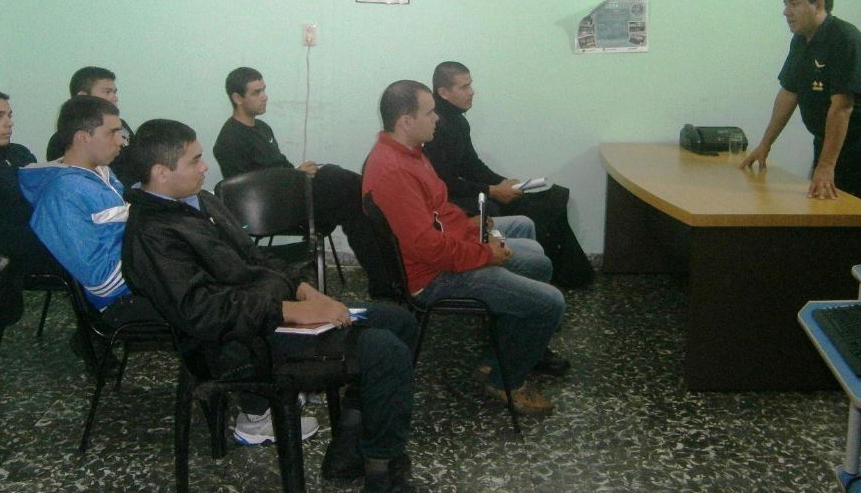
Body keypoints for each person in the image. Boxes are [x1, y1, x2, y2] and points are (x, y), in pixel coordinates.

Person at [122, 119, 419, 493]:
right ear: (161, 173)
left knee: (399, 321)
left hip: (269, 314)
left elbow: (254, 256)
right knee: (384, 351)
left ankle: (349, 451)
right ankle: (382, 479)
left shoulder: (200, 200)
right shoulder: (152, 233)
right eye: (194, 160)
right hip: (238, 345)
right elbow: (202, 312)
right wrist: (289, 311)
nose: (205, 166)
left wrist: (303, 289)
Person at [362, 80, 568, 416]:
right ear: (406, 121)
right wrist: (485, 253)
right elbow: (428, 247)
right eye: (430, 113)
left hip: (442, 255)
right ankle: (506, 381)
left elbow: (440, 211)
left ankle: (500, 355)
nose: (437, 119)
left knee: (531, 247)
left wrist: (473, 227)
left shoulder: (412, 152)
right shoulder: (394, 172)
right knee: (550, 301)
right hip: (433, 278)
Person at [213, 67, 394, 299]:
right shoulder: (229, 140)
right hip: (272, 212)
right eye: (256, 93)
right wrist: (296, 175)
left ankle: (386, 285)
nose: (265, 97)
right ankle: (376, 196)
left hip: (293, 198)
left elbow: (278, 167)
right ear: (237, 98)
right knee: (335, 177)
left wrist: (299, 172)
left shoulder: (263, 128)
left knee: (355, 209)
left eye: (264, 90)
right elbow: (246, 192)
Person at [423, 62, 593, 287]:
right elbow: (444, 182)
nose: (472, 92)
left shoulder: (458, 121)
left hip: (460, 192)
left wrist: (502, 182)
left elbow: (471, 165)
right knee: (502, 208)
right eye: (464, 87)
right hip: (448, 202)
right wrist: (493, 191)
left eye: (470, 85)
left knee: (537, 200)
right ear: (444, 92)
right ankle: (529, 275)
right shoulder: (434, 127)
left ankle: (551, 272)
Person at [740, 0, 861, 202]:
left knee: (847, 216)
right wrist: (765, 144)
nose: (786, 12)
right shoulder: (800, 40)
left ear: (818, 5)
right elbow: (789, 93)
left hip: (860, 147)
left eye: (794, 4)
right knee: (821, 208)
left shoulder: (845, 38)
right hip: (826, 140)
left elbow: (842, 107)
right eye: (785, 4)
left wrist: (826, 165)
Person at [19, 96, 159, 327]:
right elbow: (102, 281)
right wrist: (160, 262)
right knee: (212, 306)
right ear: (83, 138)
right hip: (121, 299)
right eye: (112, 133)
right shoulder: (63, 193)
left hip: (141, 275)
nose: (122, 141)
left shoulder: (101, 173)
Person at [0, 90, 63, 335]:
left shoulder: (18, 153)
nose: (9, 123)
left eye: (9, 115)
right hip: (19, 244)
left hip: (38, 235)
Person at [46, 67, 139, 186]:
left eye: (114, 92)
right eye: (107, 92)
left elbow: (136, 157)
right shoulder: (60, 141)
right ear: (82, 96)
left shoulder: (122, 125)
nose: (114, 98)